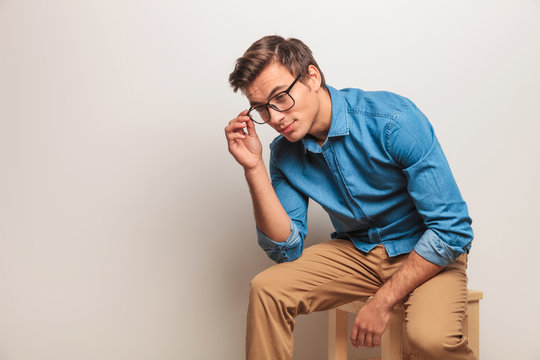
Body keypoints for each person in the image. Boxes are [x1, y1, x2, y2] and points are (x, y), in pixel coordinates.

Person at [225, 35, 476, 360]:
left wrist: (383, 301)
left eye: (280, 98)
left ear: (312, 77)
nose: (274, 118)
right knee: (267, 289)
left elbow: (452, 229)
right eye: (261, 108)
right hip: (358, 251)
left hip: (426, 252)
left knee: (430, 339)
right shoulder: (284, 154)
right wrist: (254, 167)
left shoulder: (392, 121)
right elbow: (286, 249)